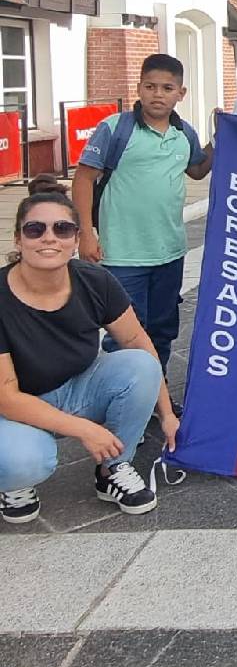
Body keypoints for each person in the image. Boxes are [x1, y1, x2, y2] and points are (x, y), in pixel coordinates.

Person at [0, 177, 178, 524]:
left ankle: (113, 469)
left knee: (140, 365)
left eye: (62, 229)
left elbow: (138, 342)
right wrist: (86, 430)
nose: (49, 237)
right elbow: (7, 397)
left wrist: (167, 413)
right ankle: (14, 483)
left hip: (76, 388)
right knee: (24, 462)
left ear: (76, 240)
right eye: (35, 229)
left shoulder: (94, 281)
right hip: (14, 405)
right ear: (18, 239)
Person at [72, 54, 212, 376]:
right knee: (125, 334)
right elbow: (83, 179)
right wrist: (86, 233)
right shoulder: (115, 129)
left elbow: (198, 169)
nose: (158, 94)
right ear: (139, 88)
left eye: (167, 88)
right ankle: (122, 399)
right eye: (150, 86)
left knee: (163, 329)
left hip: (169, 253)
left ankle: (155, 395)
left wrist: (222, 138)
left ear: (181, 93)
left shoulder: (184, 134)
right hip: (122, 255)